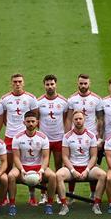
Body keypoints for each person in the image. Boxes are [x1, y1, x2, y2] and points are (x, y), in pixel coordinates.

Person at [56, 110, 106, 215]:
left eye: (80, 119)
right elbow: (65, 157)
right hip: (72, 168)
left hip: (87, 167)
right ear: (73, 121)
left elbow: (94, 156)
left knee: (103, 175)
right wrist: (73, 171)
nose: (78, 121)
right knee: (58, 175)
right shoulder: (67, 136)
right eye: (76, 119)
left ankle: (96, 204)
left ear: (84, 119)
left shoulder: (91, 136)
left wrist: (87, 170)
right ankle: (64, 205)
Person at [7, 112, 56, 217]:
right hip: (22, 167)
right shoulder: (17, 137)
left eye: (33, 121)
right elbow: (16, 157)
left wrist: (42, 170)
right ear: (24, 122)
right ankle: (12, 205)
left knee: (52, 176)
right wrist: (22, 169)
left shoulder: (43, 137)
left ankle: (49, 204)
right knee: (11, 176)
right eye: (28, 121)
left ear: (37, 122)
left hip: (38, 166)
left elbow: (46, 157)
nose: (30, 124)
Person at [66, 74, 103, 201]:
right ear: (78, 83)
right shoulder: (72, 99)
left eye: (85, 83)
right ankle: (71, 194)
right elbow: (69, 118)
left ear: (89, 83)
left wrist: (100, 138)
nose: (83, 86)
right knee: (73, 161)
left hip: (91, 138)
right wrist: (67, 135)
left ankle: (93, 194)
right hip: (74, 137)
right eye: (81, 83)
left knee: (92, 165)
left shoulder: (97, 99)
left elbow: (100, 119)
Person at [37, 74, 69, 204]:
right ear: (44, 85)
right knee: (43, 168)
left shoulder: (63, 101)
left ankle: (58, 193)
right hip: (44, 140)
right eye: (47, 84)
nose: (50, 86)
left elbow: (66, 119)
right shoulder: (39, 102)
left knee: (59, 166)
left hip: (59, 138)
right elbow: (36, 119)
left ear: (56, 84)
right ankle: (43, 194)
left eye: (52, 84)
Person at [0, 73, 39, 167]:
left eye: (20, 81)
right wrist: (11, 126)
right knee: (8, 165)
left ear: (23, 83)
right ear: (11, 84)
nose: (17, 84)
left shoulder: (31, 98)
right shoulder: (4, 99)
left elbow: (35, 115)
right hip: (10, 135)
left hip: (26, 135)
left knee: (29, 162)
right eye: (15, 82)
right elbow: (3, 117)